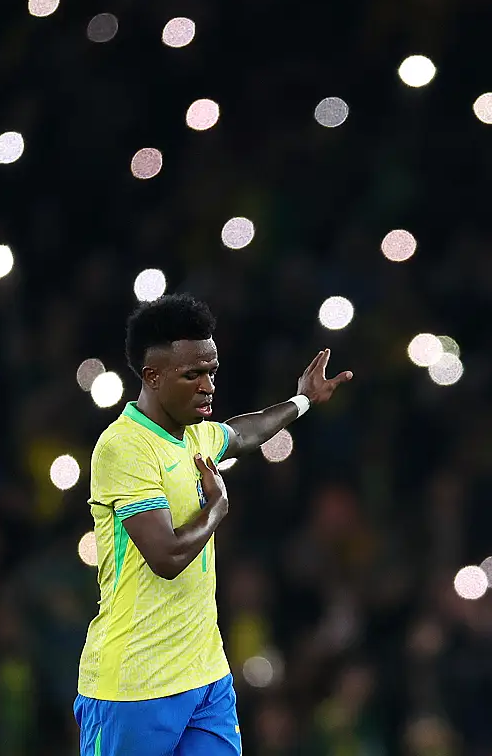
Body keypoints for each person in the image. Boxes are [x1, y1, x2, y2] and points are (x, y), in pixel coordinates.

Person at [74, 293, 353, 755]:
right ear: (152, 376)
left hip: (205, 677)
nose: (208, 386)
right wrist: (217, 508)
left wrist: (302, 400)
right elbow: (165, 557)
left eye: (212, 372)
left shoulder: (195, 436)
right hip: (134, 685)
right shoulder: (124, 448)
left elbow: (247, 431)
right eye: (193, 374)